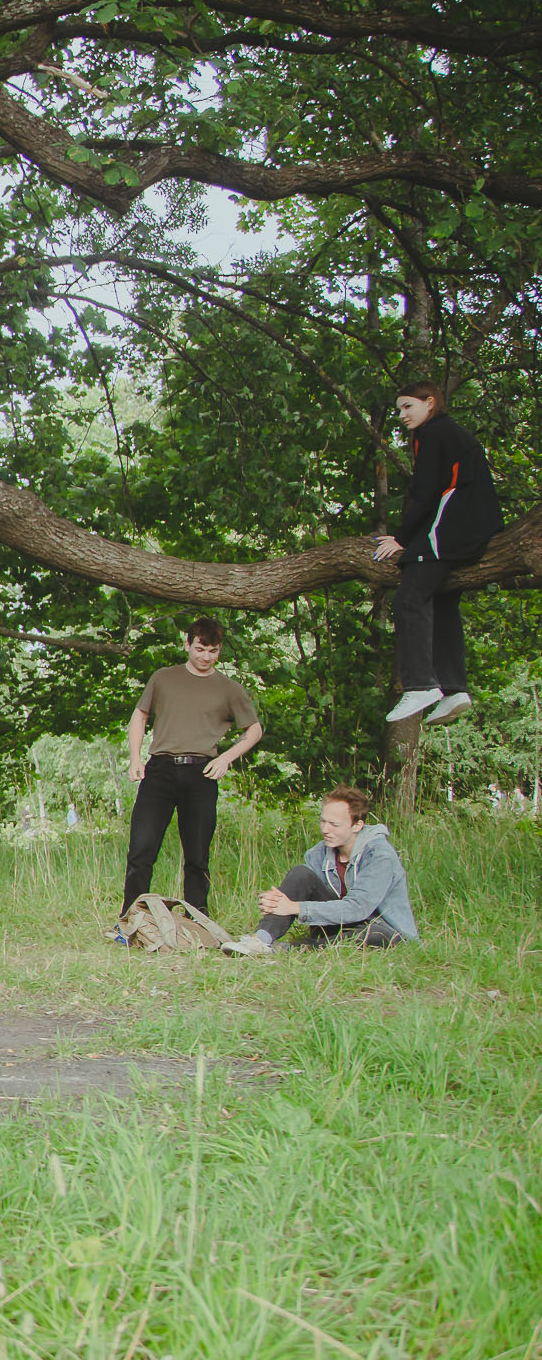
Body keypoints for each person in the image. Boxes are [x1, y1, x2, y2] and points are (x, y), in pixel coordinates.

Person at [117, 617, 264, 933]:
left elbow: (254, 730)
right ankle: (129, 920)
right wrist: (134, 758)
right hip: (159, 771)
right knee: (142, 848)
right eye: (200, 649)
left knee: (197, 854)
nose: (206, 656)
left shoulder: (229, 688)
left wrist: (226, 757)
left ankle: (200, 923)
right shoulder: (164, 678)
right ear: (187, 645)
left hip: (202, 773)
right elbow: (139, 716)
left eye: (213, 651)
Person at [376, 382, 505, 727]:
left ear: (430, 403)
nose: (402, 415)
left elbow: (428, 491)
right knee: (442, 598)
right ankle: (454, 688)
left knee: (409, 598)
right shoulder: (449, 433)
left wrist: (402, 539)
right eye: (399, 409)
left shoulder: (431, 434)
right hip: (476, 528)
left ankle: (420, 684)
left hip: (453, 526)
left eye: (408, 407)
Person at [223, 786, 417, 953]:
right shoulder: (317, 853)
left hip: (378, 929)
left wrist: (295, 907)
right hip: (336, 925)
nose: (325, 829)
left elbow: (358, 908)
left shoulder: (379, 855)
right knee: (301, 874)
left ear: (357, 825)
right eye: (323, 821)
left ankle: (295, 948)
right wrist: (274, 902)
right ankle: (260, 940)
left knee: (376, 934)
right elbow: (306, 895)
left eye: (334, 824)